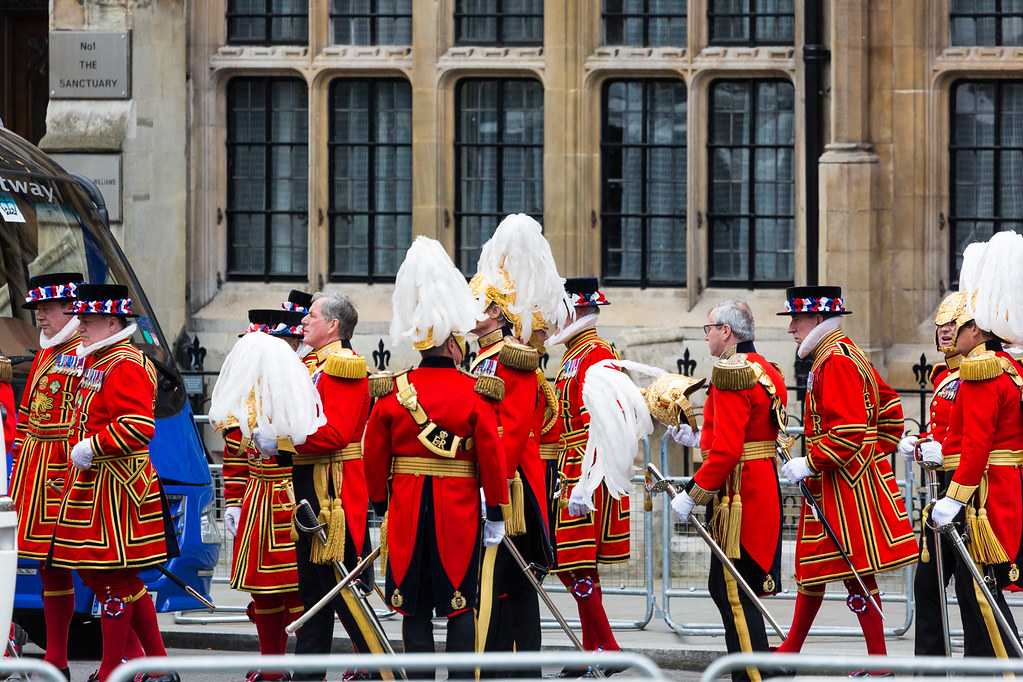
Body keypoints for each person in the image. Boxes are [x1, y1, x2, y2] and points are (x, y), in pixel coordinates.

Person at [363, 236, 508, 677]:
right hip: (458, 510)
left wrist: (381, 505)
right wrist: (497, 509)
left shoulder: (392, 392)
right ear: (451, 345)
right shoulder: (475, 393)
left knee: (415, 609)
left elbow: (373, 456)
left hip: (406, 507)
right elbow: (492, 456)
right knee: (461, 607)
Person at [775, 285, 917, 657]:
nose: (791, 327)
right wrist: (876, 453)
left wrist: (811, 461)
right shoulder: (845, 352)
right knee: (824, 566)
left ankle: (804, 651)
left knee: (843, 569)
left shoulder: (833, 360)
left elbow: (849, 430)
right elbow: (890, 407)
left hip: (841, 483)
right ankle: (807, 650)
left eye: (797, 318)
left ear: (818, 319)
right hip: (846, 478)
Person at [48, 283, 179, 682]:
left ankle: (114, 668)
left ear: (111, 321)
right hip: (96, 483)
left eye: (87, 320)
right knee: (99, 574)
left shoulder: (125, 362)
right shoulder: (101, 359)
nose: (80, 326)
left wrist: (92, 446)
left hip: (118, 487)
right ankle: (153, 664)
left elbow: (138, 427)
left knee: (112, 577)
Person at [253, 292, 383, 678]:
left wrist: (280, 441)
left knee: (341, 589)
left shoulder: (342, 365)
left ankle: (377, 668)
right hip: (312, 483)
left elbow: (336, 434)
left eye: (311, 316)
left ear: (333, 325)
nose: (304, 321)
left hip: (333, 490)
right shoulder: (314, 364)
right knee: (315, 590)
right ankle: (310, 671)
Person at [468, 214, 569, 671]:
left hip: (512, 488)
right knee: (507, 586)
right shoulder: (483, 359)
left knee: (509, 583)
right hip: (498, 483)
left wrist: (490, 486)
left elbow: (507, 431)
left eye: (479, 306)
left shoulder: (512, 360)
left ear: (495, 312)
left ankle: (513, 666)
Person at [669, 300, 783, 682]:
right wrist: (696, 437)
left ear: (727, 332)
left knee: (734, 592)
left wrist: (693, 492)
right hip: (758, 483)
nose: (706, 336)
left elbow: (730, 449)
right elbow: (744, 433)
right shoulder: (764, 368)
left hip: (739, 495)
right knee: (729, 587)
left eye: (709, 329)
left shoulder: (731, 372)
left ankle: (752, 676)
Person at [930, 231, 1023, 659]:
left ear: (976, 328)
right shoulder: (1005, 365)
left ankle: (1001, 668)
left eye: (960, 327)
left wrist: (955, 495)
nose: (952, 336)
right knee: (976, 588)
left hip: (983, 492)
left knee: (980, 589)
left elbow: (979, 442)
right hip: (993, 485)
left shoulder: (984, 369)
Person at [216, 310, 313, 682]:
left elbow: (318, 442)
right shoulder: (246, 391)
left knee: (298, 590)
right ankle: (271, 664)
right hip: (257, 498)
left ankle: (303, 666)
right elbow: (235, 454)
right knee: (263, 592)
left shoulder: (304, 383)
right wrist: (235, 500)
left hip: (292, 498)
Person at [546, 277, 627, 655]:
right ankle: (593, 645)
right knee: (570, 564)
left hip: (585, 466)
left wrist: (585, 481)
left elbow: (601, 419)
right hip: (571, 464)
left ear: (573, 311)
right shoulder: (575, 352)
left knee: (576, 563)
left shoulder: (594, 352)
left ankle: (606, 645)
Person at [8, 273, 83, 678]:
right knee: (42, 564)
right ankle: (52, 657)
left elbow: (84, 417)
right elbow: (29, 410)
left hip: (61, 468)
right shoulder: (46, 351)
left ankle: (61, 657)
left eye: (47, 309)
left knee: (73, 563)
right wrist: (18, 457)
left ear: (70, 309)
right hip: (34, 469)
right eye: (37, 309)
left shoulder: (82, 352)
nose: (40, 317)